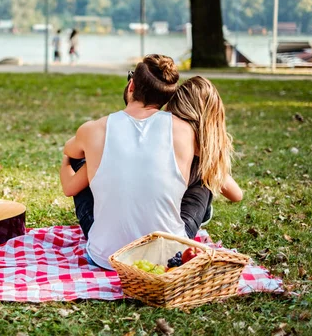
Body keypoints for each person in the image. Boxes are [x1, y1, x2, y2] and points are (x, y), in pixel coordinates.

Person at [60, 55, 242, 269]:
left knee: (85, 160)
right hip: (167, 256)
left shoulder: (92, 129)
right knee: (203, 172)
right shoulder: (186, 132)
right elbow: (233, 191)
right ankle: (195, 214)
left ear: (131, 85)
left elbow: (70, 151)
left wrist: (71, 160)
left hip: (106, 257)